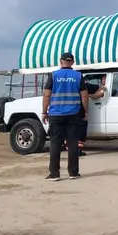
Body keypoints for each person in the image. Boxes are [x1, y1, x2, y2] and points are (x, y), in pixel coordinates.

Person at [42, 52, 88, 181]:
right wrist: (85, 111)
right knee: (73, 144)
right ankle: (73, 173)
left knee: (55, 144)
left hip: (56, 115)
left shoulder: (54, 75)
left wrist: (44, 111)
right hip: (73, 114)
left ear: (60, 61)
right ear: (72, 62)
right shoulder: (78, 76)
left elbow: (47, 95)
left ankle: (54, 174)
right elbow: (84, 96)